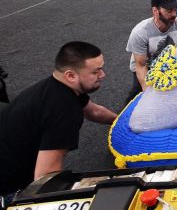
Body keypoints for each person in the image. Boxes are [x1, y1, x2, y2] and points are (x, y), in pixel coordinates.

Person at [0, 42, 117, 201]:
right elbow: (45, 178)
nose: (102, 75)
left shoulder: (59, 85)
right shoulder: (63, 110)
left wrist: (122, 122)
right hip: (9, 188)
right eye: (96, 71)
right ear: (70, 75)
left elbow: (94, 111)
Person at [125, 0, 177, 104]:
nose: (174, 14)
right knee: (138, 96)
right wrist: (149, 95)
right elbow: (140, 65)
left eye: (175, 10)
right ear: (155, 11)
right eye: (169, 11)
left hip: (169, 63)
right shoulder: (140, 32)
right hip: (147, 67)